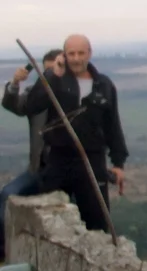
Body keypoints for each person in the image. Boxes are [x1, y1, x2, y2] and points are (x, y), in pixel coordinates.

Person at [24, 34, 128, 232]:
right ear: (64, 55)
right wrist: (53, 75)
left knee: (97, 223)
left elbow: (112, 125)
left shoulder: (103, 85)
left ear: (89, 53)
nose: (76, 58)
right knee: (51, 223)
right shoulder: (56, 80)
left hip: (92, 160)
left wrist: (118, 163)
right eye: (71, 53)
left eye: (81, 53)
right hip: (58, 160)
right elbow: (33, 105)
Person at [0, 48, 66, 259]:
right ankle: (3, 251)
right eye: (46, 72)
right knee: (7, 194)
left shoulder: (73, 96)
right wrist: (15, 83)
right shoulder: (35, 97)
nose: (50, 76)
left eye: (54, 71)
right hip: (38, 169)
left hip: (67, 172)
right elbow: (12, 105)